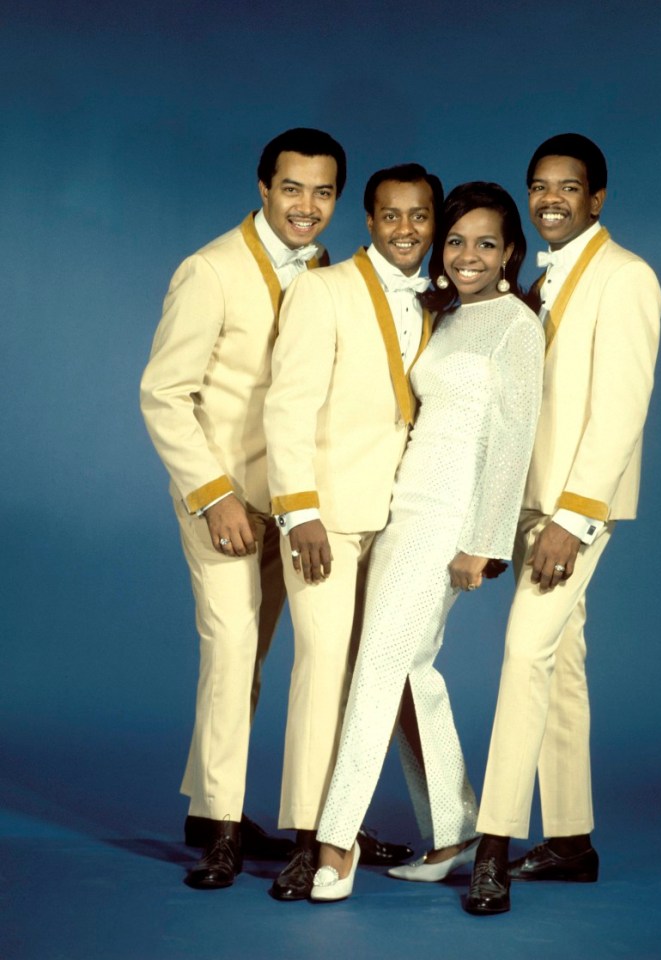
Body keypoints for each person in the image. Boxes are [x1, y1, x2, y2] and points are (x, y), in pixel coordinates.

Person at [308, 182, 545, 903]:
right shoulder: (444, 318)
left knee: (378, 668)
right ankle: (455, 826)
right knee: (406, 669)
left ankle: (334, 841)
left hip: (448, 522)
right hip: (399, 511)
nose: (468, 255)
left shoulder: (515, 325)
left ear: (510, 253)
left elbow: (512, 442)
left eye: (486, 243)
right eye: (456, 241)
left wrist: (483, 542)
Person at [139, 127, 345, 889]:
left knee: (258, 661)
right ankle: (221, 832)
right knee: (230, 654)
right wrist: (214, 494)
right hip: (221, 499)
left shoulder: (330, 272)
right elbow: (163, 393)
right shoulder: (210, 270)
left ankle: (211, 805)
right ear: (263, 188)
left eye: (323, 192)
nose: (307, 206)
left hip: (295, 504)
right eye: (292, 188)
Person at [467, 134, 661, 915]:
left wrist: (573, 520)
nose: (551, 199)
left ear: (598, 198)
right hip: (524, 501)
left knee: (523, 653)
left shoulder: (627, 278)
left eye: (568, 188)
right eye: (539, 186)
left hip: (573, 511)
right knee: (561, 663)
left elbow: (621, 410)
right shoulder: (532, 282)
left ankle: (491, 847)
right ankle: (573, 841)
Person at [263, 163, 444, 901]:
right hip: (327, 517)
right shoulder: (323, 289)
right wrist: (298, 510)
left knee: (388, 676)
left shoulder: (444, 301)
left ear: (435, 223)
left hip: (403, 521)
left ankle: (363, 824)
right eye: (391, 215)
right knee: (325, 667)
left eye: (420, 216)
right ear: (368, 222)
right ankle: (310, 840)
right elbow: (287, 405)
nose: (406, 229)